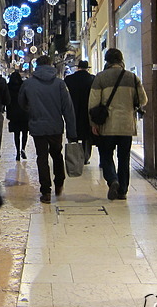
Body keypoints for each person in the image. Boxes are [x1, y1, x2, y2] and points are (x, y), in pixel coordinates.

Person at [89, 48, 147, 201]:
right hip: (126, 125)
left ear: (107, 61)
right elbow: (143, 100)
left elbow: (93, 103)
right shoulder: (132, 77)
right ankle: (122, 190)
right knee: (124, 158)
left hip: (107, 125)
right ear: (121, 60)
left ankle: (112, 180)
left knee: (106, 156)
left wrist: (93, 123)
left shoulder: (100, 78)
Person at [19, 55, 78, 203]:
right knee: (57, 154)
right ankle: (59, 182)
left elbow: (21, 102)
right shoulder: (60, 84)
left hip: (37, 126)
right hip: (55, 126)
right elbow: (68, 108)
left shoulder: (28, 84)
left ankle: (45, 191)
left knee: (42, 158)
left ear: (37, 66)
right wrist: (72, 132)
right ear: (51, 65)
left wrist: (31, 111)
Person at [64, 60, 96, 165]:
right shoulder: (92, 79)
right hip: (87, 111)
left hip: (73, 110)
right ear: (87, 68)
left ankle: (74, 156)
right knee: (87, 135)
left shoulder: (69, 79)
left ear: (78, 68)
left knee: (73, 133)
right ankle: (86, 157)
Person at [6, 71, 29, 161]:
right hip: (24, 112)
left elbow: (7, 100)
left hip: (13, 114)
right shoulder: (23, 86)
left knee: (16, 134)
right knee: (24, 132)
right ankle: (23, 148)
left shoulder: (8, 87)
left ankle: (17, 153)